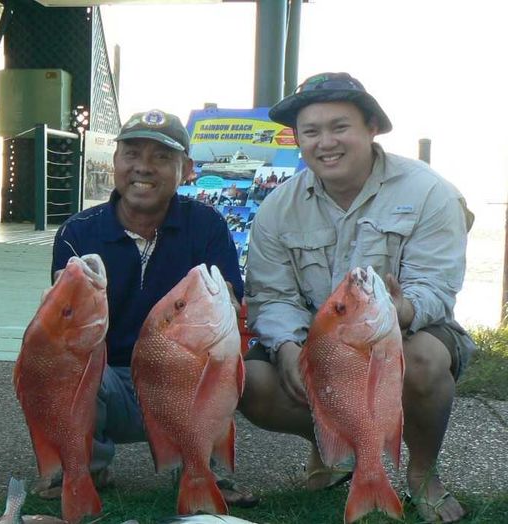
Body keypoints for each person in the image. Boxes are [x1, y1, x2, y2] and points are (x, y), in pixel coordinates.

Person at [239, 72, 475, 524]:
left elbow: (437, 288)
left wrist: (400, 309)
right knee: (252, 381)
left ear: (372, 127)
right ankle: (332, 445)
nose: (325, 142)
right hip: (319, 341)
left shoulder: (430, 192)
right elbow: (271, 295)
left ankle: (422, 474)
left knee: (425, 361)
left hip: (403, 333)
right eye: (311, 131)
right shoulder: (276, 208)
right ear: (298, 140)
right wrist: (287, 348)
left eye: (339, 127)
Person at [47, 109, 258, 507]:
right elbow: (64, 328)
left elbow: (229, 295)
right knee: (64, 366)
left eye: (161, 157)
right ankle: (85, 466)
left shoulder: (208, 225)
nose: (143, 167)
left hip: (182, 377)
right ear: (115, 161)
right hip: (108, 381)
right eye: (131, 154)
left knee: (218, 361)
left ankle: (202, 467)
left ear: (187, 169)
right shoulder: (78, 231)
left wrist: (226, 303)